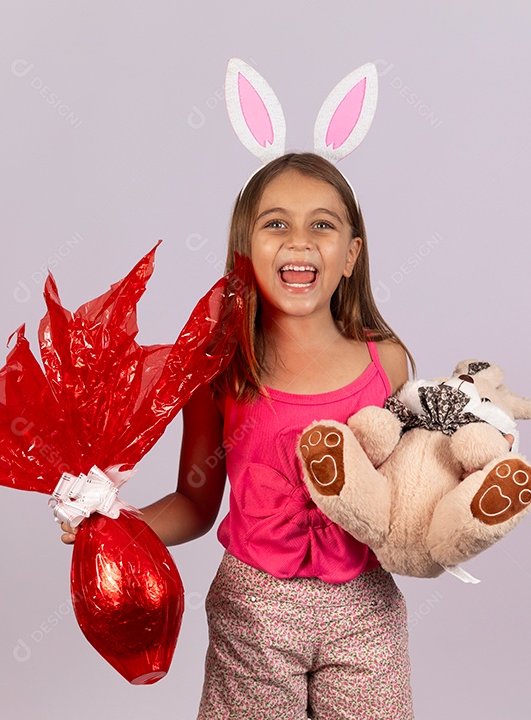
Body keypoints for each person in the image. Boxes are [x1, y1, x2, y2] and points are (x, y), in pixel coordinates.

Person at [62, 152, 415, 719]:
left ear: (351, 254)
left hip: (366, 616)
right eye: (276, 223)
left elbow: (409, 498)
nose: (299, 241)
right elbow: (196, 504)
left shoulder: (388, 365)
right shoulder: (219, 373)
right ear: (245, 252)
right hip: (252, 616)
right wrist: (111, 525)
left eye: (321, 224)